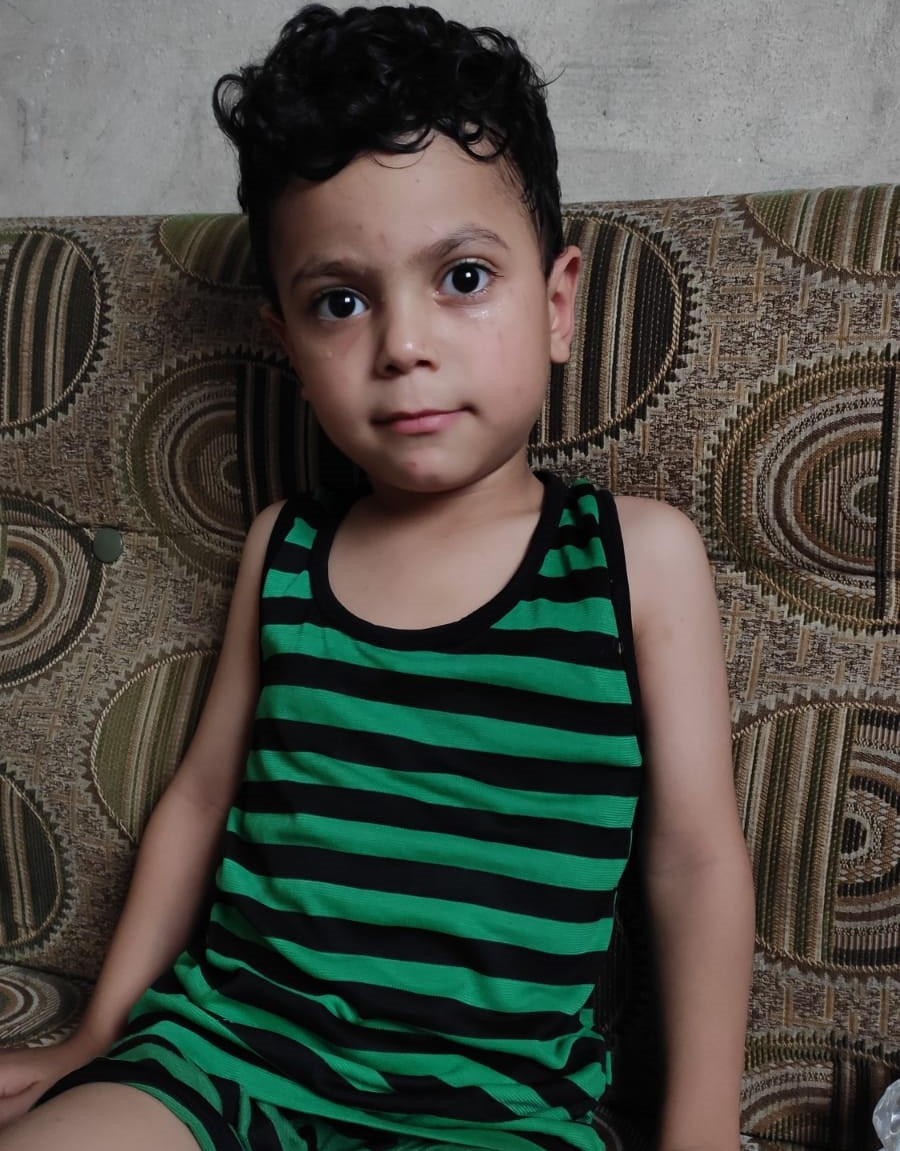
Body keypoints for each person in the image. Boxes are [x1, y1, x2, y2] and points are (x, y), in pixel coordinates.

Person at [0, 5, 755, 1150]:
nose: (403, 343)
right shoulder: (286, 549)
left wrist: (698, 1126)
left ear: (557, 305)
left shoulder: (633, 560)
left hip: (491, 1108)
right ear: (289, 345)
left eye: (462, 276)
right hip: (227, 1054)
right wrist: (97, 1033)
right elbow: (199, 801)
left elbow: (696, 858)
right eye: (340, 301)